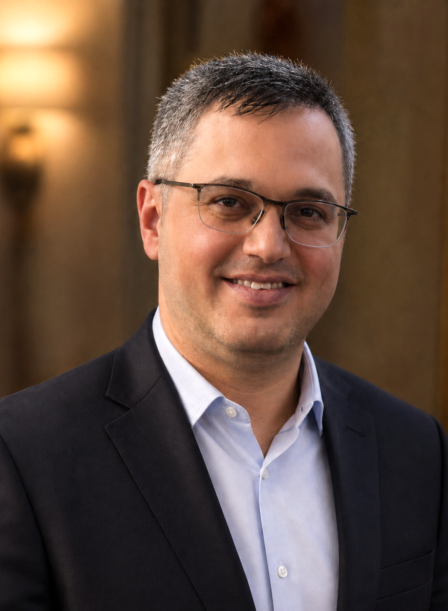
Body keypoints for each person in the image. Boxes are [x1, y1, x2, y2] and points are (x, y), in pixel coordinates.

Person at [0, 53, 446, 611]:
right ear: (153, 219)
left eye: (308, 211)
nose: (268, 246)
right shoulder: (22, 456)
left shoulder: (416, 453)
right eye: (230, 203)